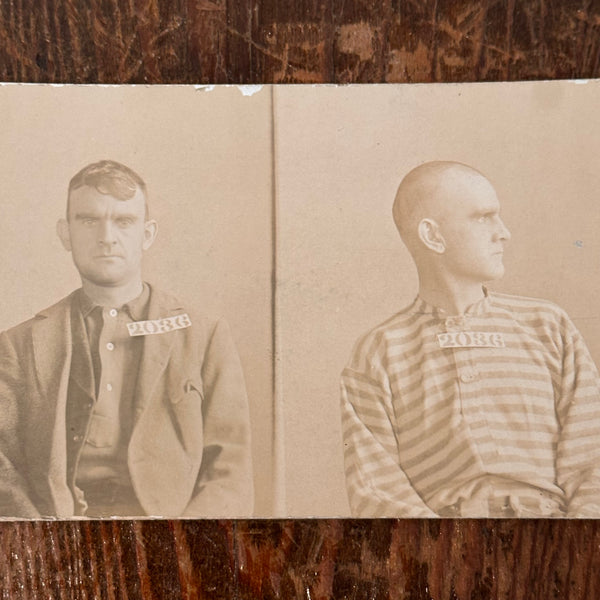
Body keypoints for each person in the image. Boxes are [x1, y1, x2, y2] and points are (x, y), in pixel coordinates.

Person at [340, 160, 600, 518]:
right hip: (440, 543)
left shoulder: (548, 326)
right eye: (483, 217)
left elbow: (592, 462)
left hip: (555, 539)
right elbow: (377, 490)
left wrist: (571, 544)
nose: (504, 232)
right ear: (433, 236)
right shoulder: (380, 352)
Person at [0, 160, 253, 518]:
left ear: (147, 234)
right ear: (65, 234)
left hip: (171, 540)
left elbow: (230, 476)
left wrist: (179, 543)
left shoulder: (205, 336)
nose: (106, 237)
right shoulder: (18, 346)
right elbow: (4, 473)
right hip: (57, 540)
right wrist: (45, 540)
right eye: (89, 220)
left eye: (123, 221)